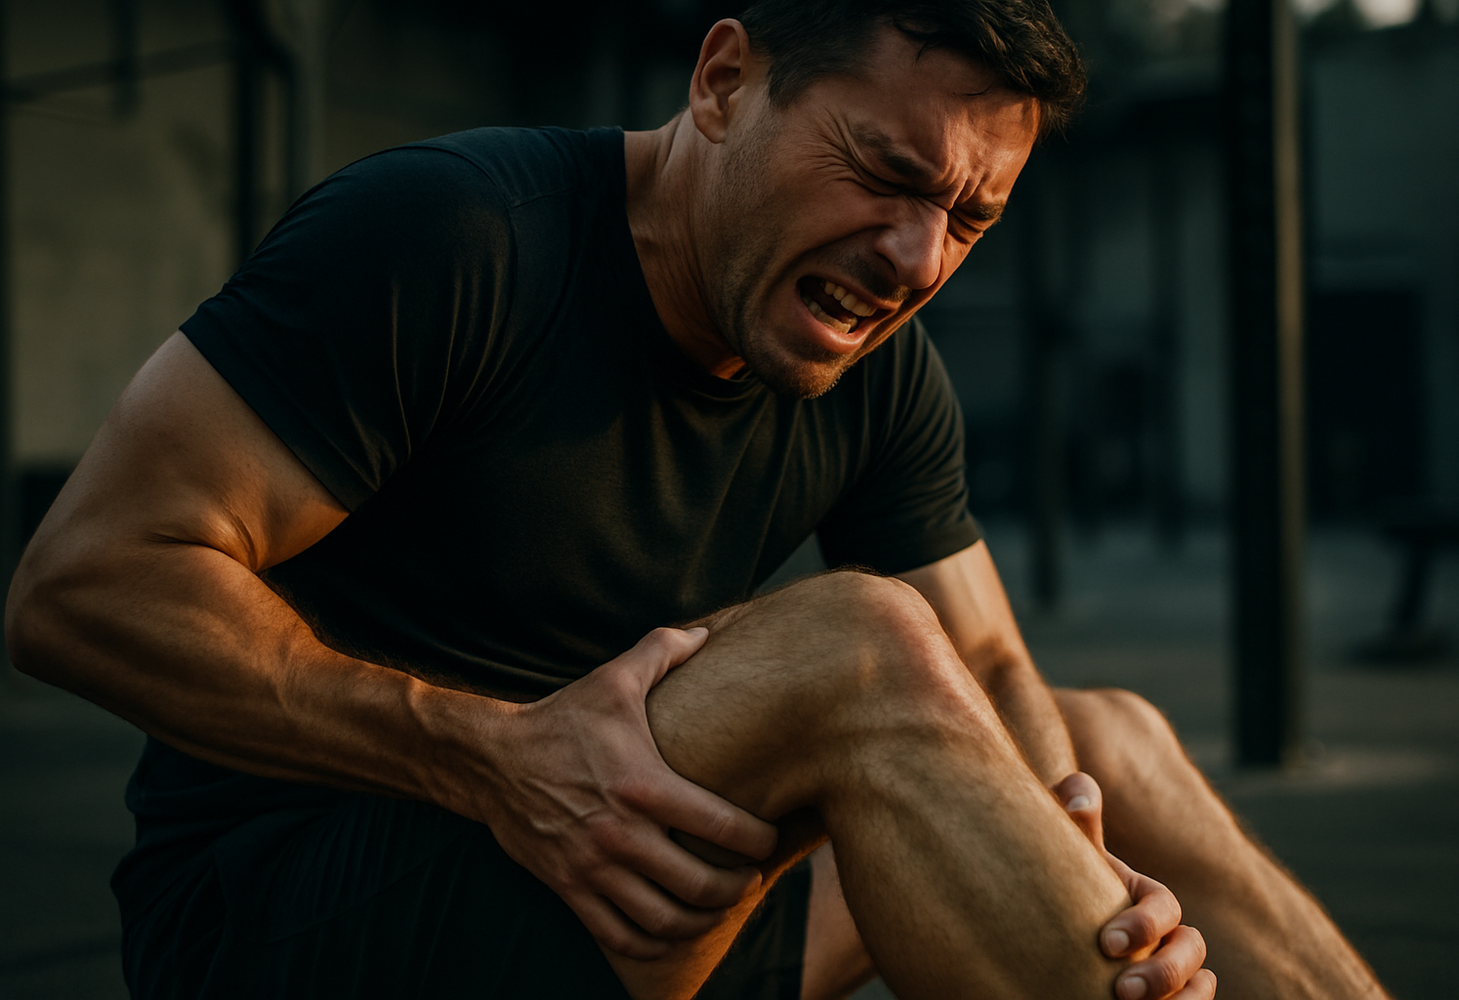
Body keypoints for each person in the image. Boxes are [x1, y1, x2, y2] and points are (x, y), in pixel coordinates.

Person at [5, 2, 1387, 999]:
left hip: (638, 894)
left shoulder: (874, 370)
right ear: (726, 81)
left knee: (1110, 744)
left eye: (970, 220)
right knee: (856, 646)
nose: (919, 259)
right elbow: (79, 585)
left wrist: (1083, 864)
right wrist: (491, 757)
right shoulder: (457, 236)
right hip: (296, 923)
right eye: (887, 172)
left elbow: (992, 659)